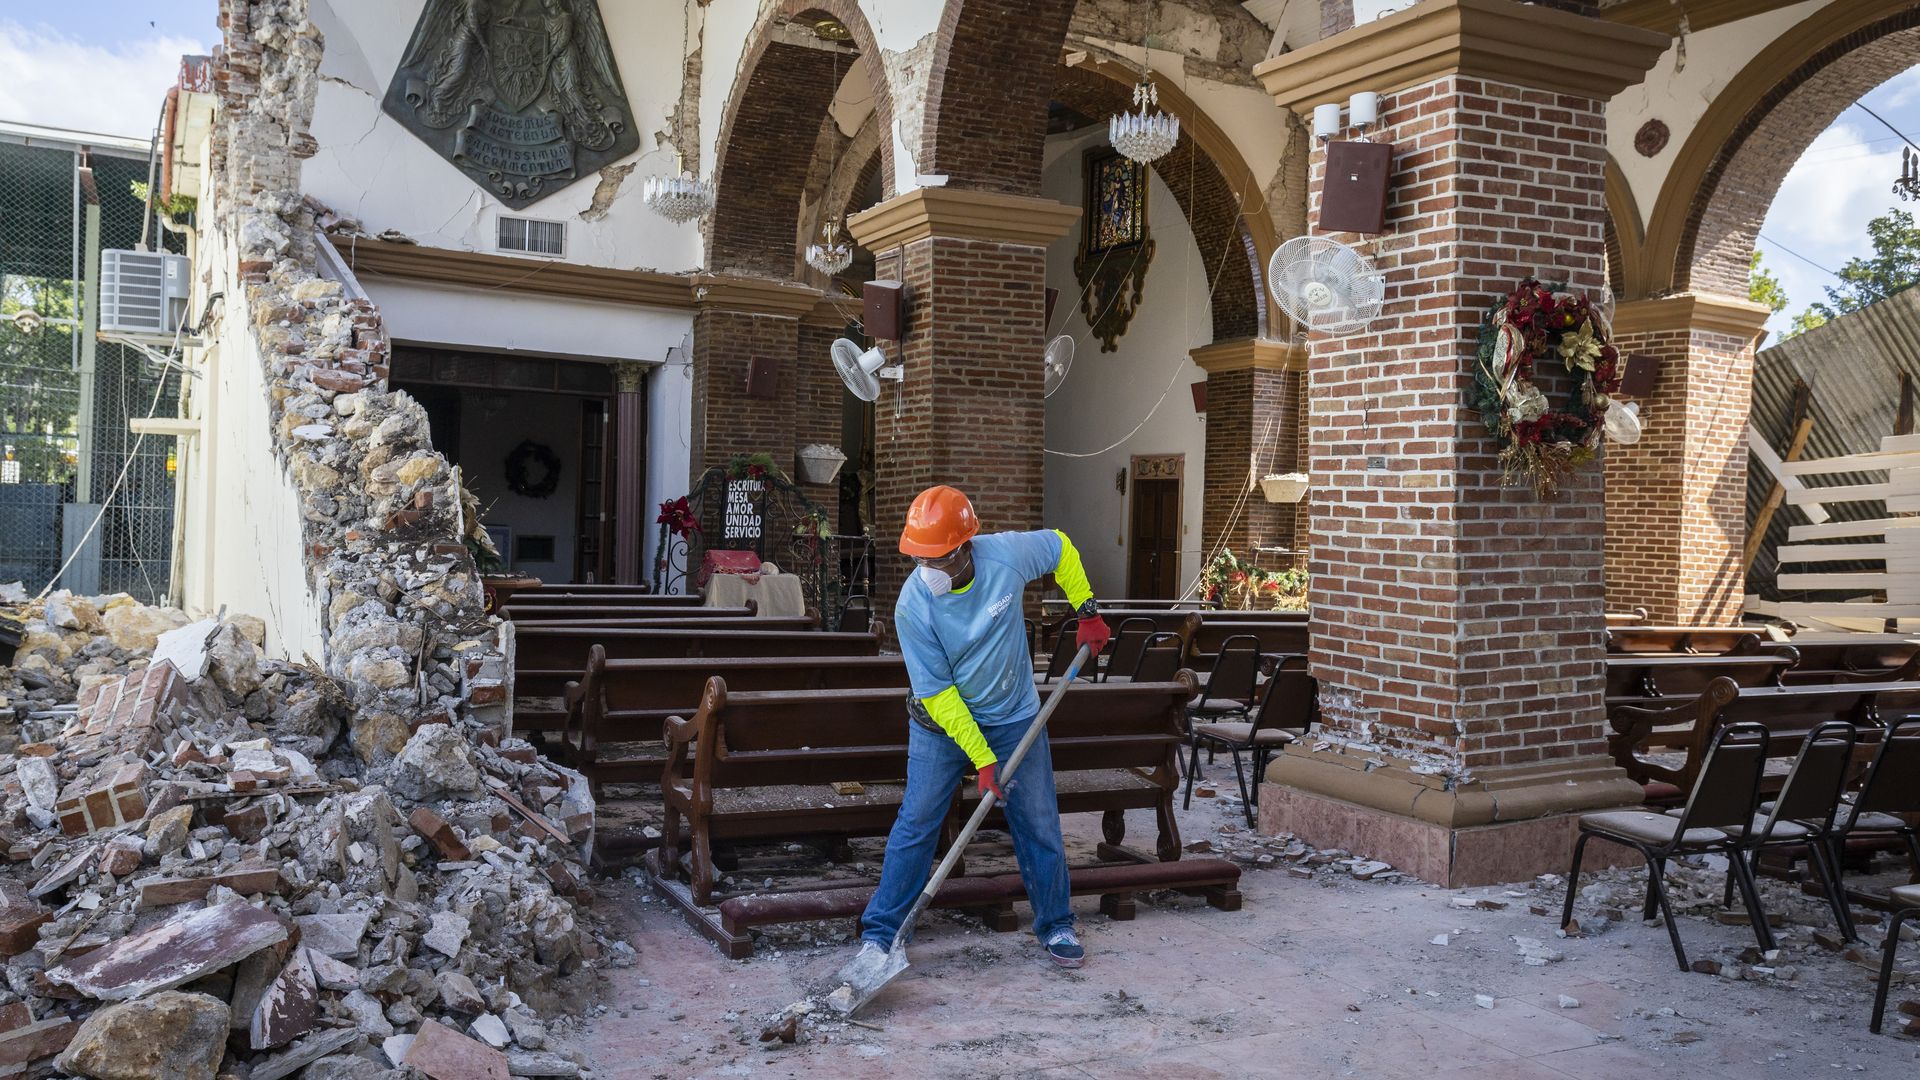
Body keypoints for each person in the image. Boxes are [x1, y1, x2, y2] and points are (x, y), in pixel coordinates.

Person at [852, 485, 1112, 968]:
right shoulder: (913, 605)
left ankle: (1055, 926)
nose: (925, 570)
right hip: (940, 726)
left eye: (936, 559)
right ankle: (881, 933)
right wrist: (983, 759)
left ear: (963, 548)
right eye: (918, 559)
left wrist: (1087, 609)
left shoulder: (1005, 556)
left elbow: (1059, 546)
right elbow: (938, 695)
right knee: (918, 822)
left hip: (1015, 715)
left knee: (1038, 821)